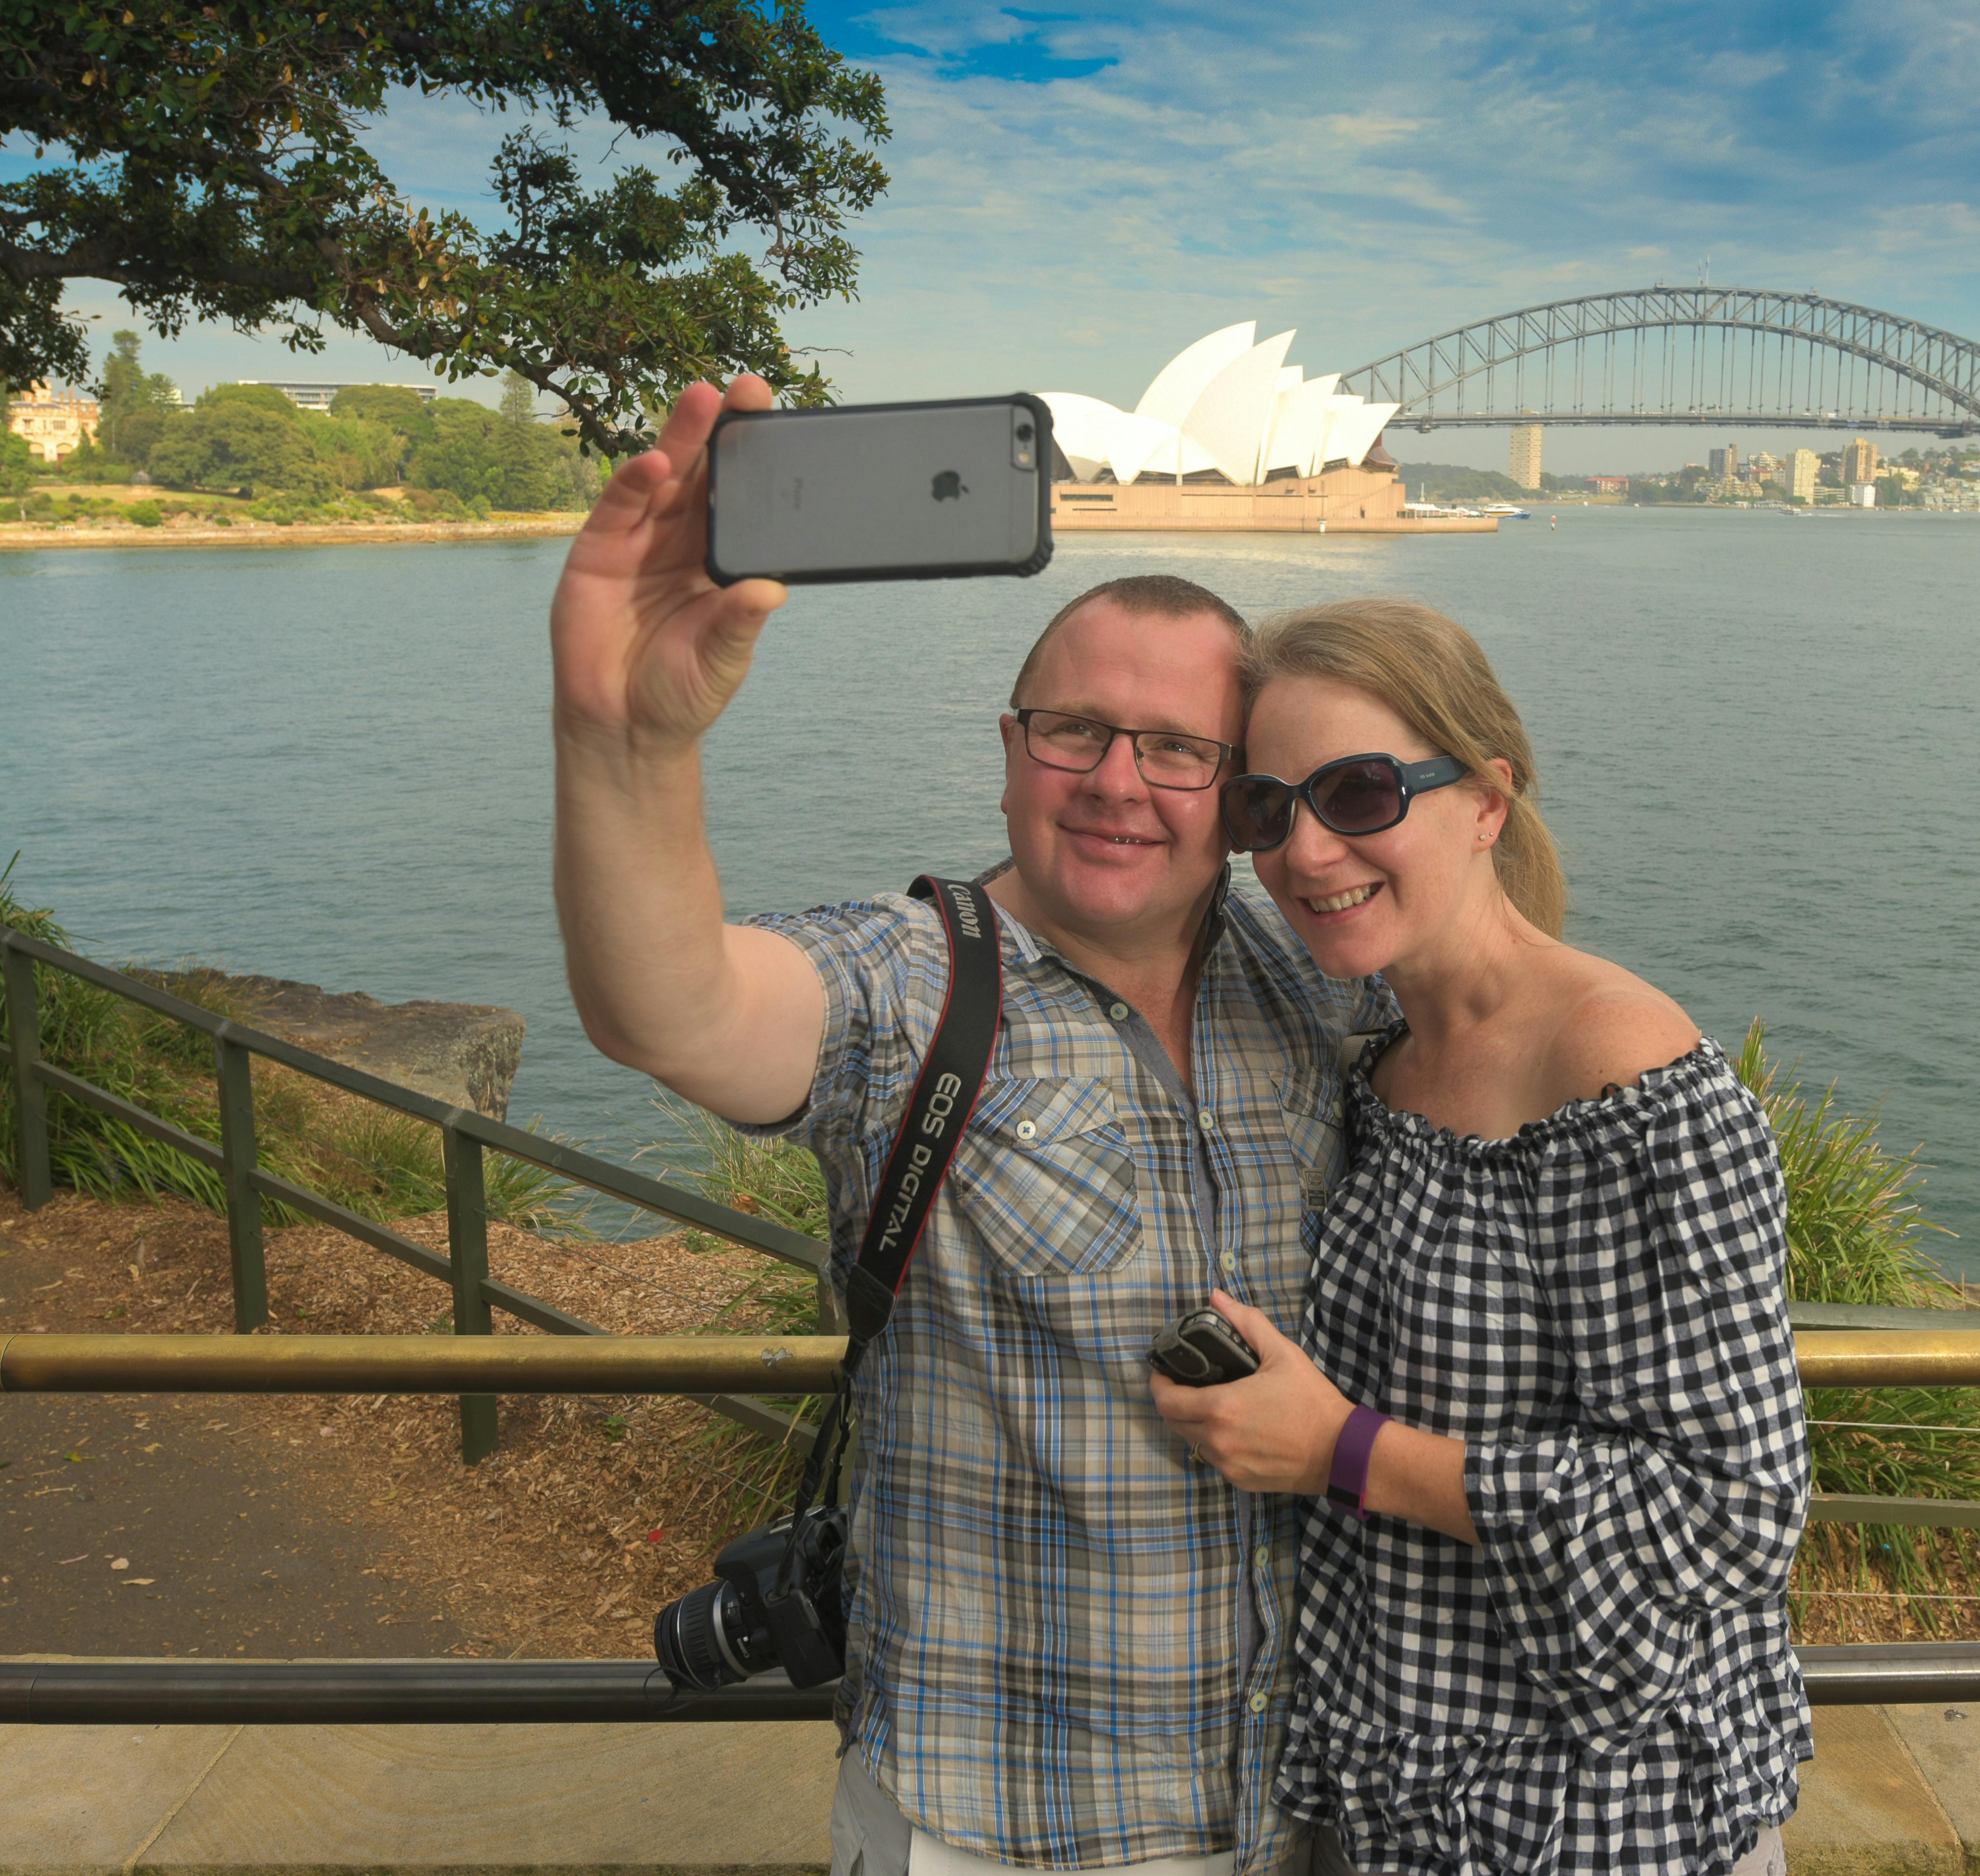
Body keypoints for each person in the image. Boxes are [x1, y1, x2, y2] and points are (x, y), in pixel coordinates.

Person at [550, 375, 1390, 1876]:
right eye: (1075, 731)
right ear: (1011, 747)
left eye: (1176, 748)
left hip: (1303, 1803)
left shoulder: (1323, 991)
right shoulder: (916, 983)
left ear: (1239, 794)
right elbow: (672, 1010)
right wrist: (626, 740)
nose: (1118, 784)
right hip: (999, 1819)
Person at [1151, 599, 1811, 1876]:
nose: (1304, 849)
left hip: (1597, 1821)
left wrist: (1340, 1449)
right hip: (1402, 1797)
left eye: (1358, 791)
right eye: (1265, 809)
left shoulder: (1617, 1072)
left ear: (1486, 800)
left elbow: (1734, 1509)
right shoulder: (1378, 1052)